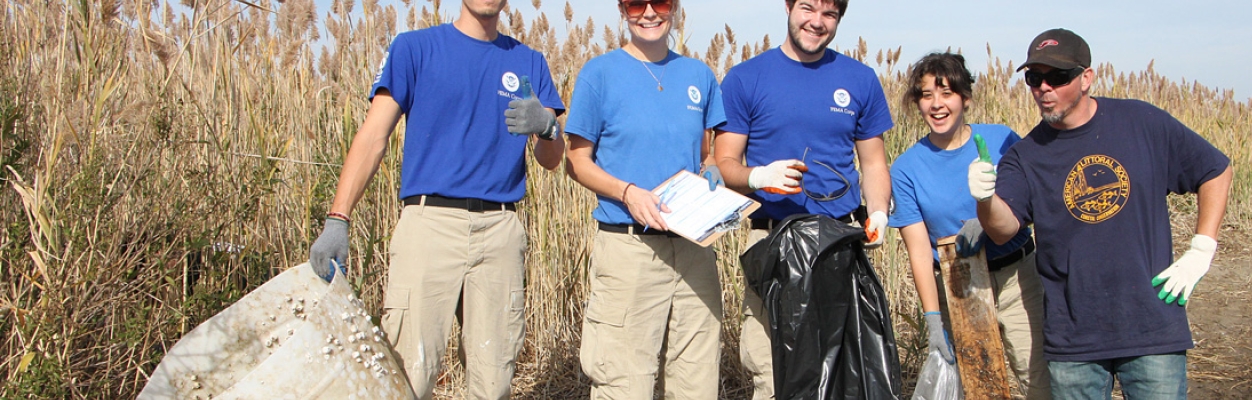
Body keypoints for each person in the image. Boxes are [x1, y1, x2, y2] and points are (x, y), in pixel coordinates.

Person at [306, 0, 566, 397]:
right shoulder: (415, 48)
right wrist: (338, 218)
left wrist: (548, 127)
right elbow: (374, 136)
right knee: (408, 372)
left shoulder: (529, 61)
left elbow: (550, 160)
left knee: (494, 377)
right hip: (429, 225)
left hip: (500, 229)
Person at [971, 28, 1232, 399]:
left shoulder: (1142, 123)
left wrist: (1202, 249)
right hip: (1073, 339)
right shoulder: (1025, 155)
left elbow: (1215, 170)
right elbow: (1003, 228)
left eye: (1057, 77)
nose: (1044, 88)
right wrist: (985, 198)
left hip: (1151, 325)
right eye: (1034, 78)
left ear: (1086, 78)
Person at [712, 0, 893, 397]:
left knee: (842, 373)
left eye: (829, 14)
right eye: (807, 8)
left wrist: (878, 211)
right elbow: (721, 163)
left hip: (838, 244)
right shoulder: (746, 78)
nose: (817, 22)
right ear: (788, 7)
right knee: (773, 374)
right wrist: (758, 176)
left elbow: (874, 163)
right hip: (772, 245)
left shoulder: (859, 79)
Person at [563, 0, 728, 398]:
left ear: (675, 8)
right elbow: (576, 161)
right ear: (622, 9)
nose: (650, 12)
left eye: (661, 3)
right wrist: (626, 192)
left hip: (694, 251)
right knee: (624, 383)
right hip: (629, 250)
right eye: (637, 3)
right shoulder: (598, 74)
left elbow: (711, 150)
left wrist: (713, 168)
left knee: (697, 383)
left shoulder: (699, 75)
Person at [890, 52, 1049, 399]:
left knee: (1038, 378)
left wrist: (989, 218)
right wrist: (933, 319)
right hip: (959, 284)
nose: (936, 104)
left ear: (965, 97)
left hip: (1017, 278)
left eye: (946, 93)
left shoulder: (1001, 140)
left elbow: (1036, 201)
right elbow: (919, 250)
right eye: (926, 95)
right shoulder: (905, 168)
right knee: (980, 386)